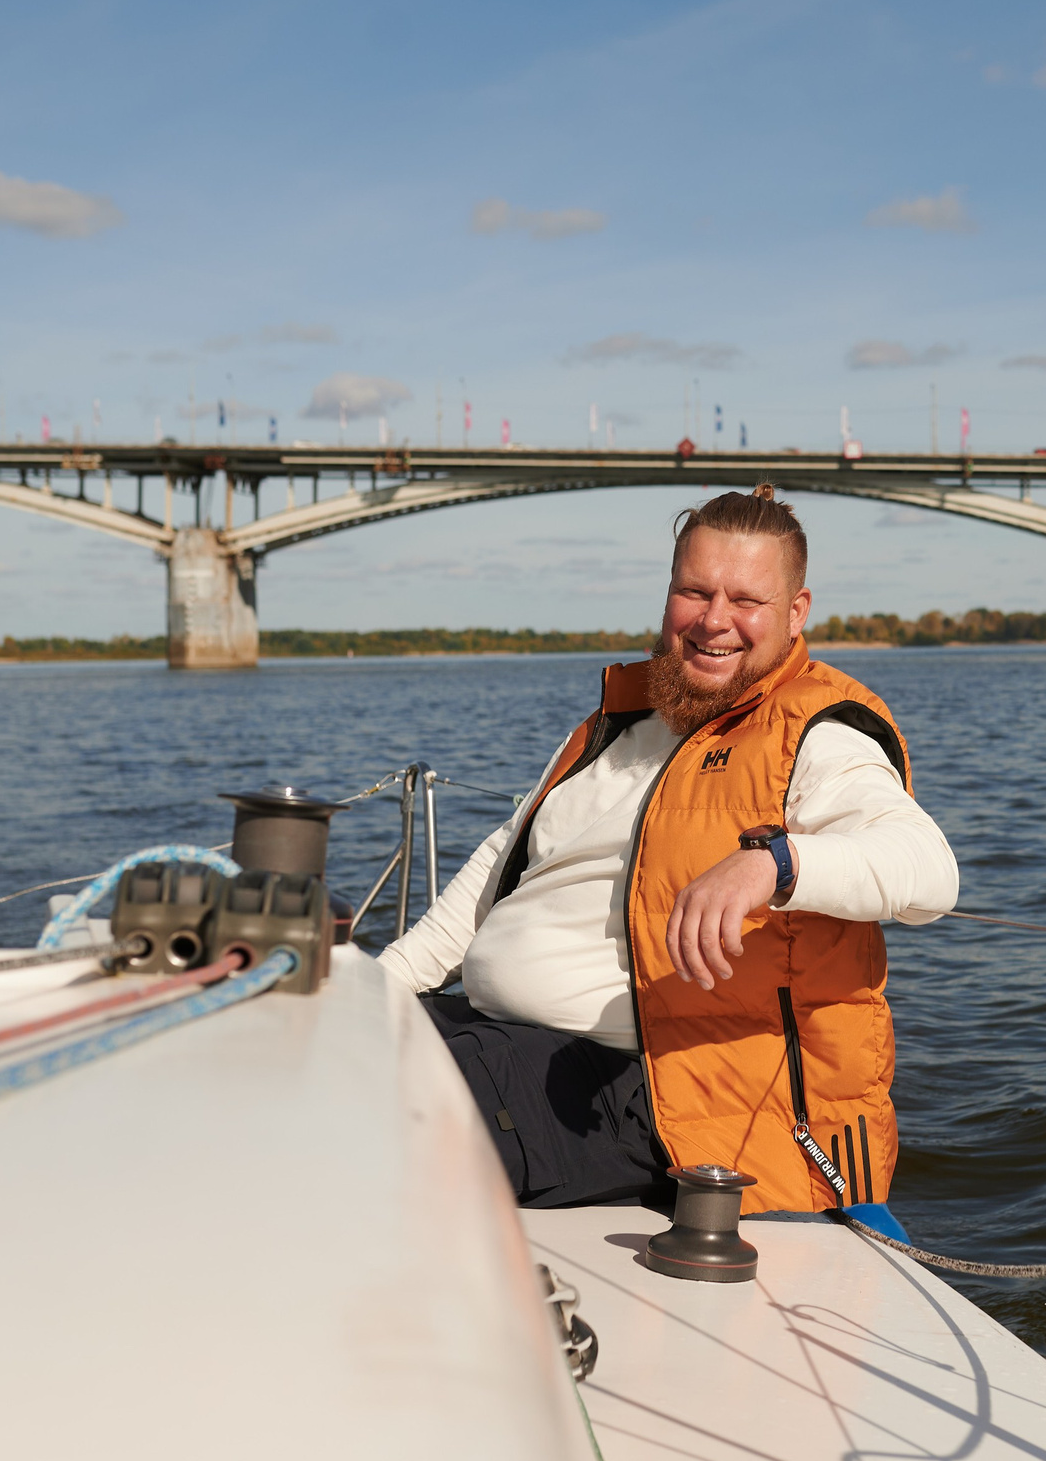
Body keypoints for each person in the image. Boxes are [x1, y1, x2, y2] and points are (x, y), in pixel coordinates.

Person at [382, 485, 959, 1214]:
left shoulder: (817, 735)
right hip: (500, 1036)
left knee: (384, 1100)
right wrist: (380, 989)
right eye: (695, 591)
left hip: (647, 1093)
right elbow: (501, 864)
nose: (715, 620)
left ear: (797, 612)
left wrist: (772, 864)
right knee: (301, 1042)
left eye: (747, 599)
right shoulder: (619, 724)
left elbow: (929, 871)